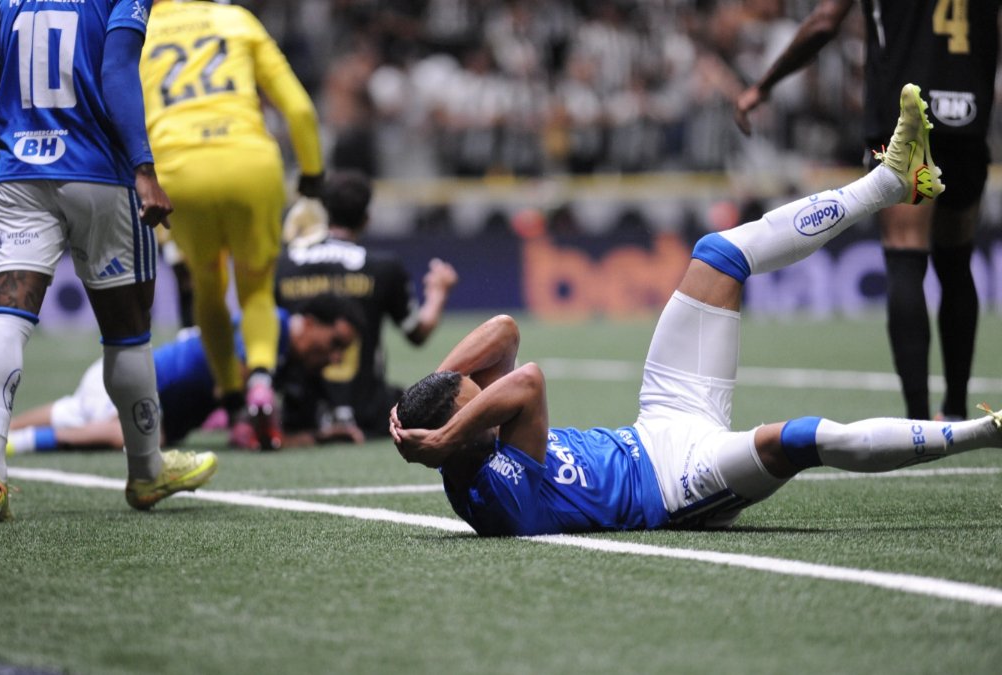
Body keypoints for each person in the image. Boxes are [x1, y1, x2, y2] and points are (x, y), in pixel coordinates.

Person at [391, 85, 1002, 537]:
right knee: (803, 436)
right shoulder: (492, 498)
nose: (480, 397)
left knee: (718, 253)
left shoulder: (469, 440)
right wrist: (444, 432)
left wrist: (424, 397)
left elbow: (504, 331)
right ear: (453, 444)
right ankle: (985, 433)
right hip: (676, 485)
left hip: (657, 421)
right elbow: (527, 380)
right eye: (470, 401)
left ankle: (892, 181)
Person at [0, 0, 214, 522]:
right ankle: (146, 471)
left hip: (19, 171)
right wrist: (144, 169)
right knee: (127, 330)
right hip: (98, 174)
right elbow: (118, 67)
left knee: (7, 316)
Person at [733, 0, 997, 421]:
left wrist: (762, 85)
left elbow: (824, 22)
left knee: (906, 254)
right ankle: (957, 412)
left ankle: (916, 423)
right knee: (957, 259)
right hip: (969, 118)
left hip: (903, 123)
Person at [139, 0, 325, 451]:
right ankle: (261, 380)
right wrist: (313, 180)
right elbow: (299, 110)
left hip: (179, 170)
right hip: (250, 163)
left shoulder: (135, 26)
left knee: (207, 286)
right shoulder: (236, 19)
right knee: (257, 289)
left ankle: (234, 397)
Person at [0, 295, 364, 454]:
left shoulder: (285, 349)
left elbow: (256, 428)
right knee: (129, 441)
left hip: (116, 390)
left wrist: (315, 436)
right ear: (311, 322)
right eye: (334, 342)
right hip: (127, 390)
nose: (333, 355)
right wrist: (293, 431)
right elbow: (236, 397)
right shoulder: (269, 328)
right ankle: (17, 447)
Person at [275, 171, 459, 441]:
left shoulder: (284, 264)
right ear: (366, 219)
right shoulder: (383, 267)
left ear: (323, 213)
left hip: (300, 414)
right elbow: (417, 332)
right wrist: (438, 292)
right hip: (372, 413)